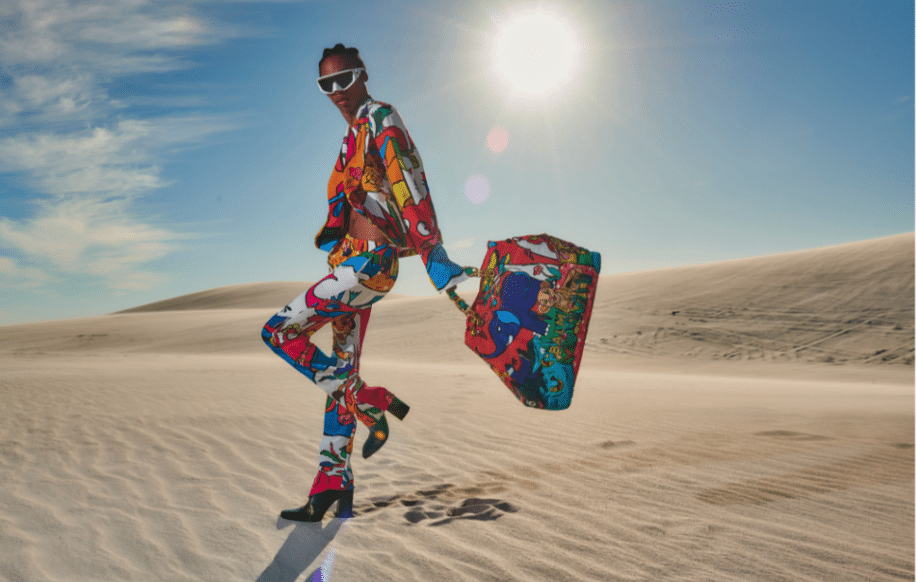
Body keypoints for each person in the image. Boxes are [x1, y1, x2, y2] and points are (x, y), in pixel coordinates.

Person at [261, 44, 469, 522]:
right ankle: (333, 483)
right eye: (326, 84)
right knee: (340, 369)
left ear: (363, 75)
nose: (336, 90)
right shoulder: (351, 136)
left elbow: (408, 178)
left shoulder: (380, 118)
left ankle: (369, 401)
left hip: (369, 265)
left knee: (278, 332)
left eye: (344, 78)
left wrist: (433, 252)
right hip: (350, 261)